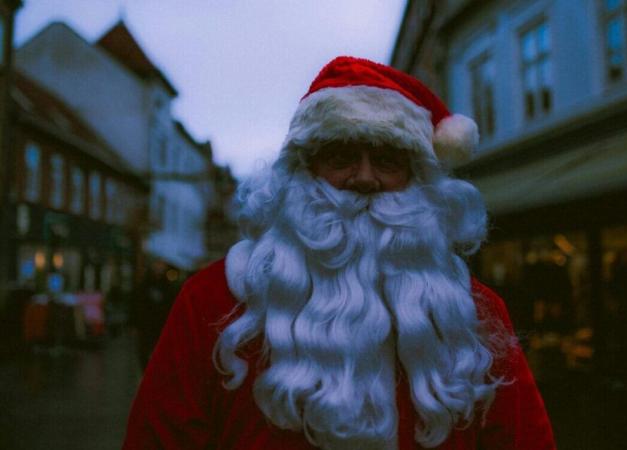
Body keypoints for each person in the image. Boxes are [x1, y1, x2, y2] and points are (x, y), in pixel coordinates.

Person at [122, 56, 555, 449]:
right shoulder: (211, 303)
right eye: (342, 156)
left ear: (416, 180)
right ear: (303, 172)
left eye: (388, 159)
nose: (363, 178)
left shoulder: (472, 315)